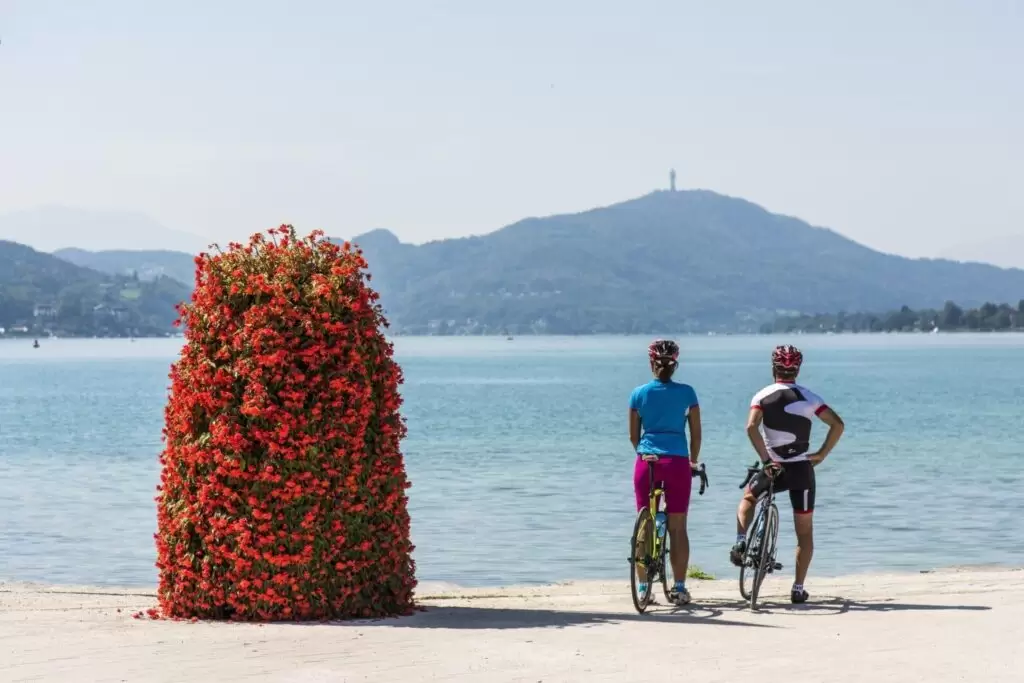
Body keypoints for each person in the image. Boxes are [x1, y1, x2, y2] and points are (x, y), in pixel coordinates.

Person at [730, 344, 844, 604]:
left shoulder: (762, 395)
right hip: (801, 469)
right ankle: (798, 587)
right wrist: (822, 454)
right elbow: (838, 425)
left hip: (774, 467)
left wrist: (766, 459)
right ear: (798, 369)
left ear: (773, 368)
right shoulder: (810, 397)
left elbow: (751, 428)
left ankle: (740, 541)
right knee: (804, 533)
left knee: (748, 498)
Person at [629, 339, 702, 606]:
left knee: (643, 524)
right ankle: (679, 588)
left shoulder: (638, 394)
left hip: (647, 462)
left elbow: (633, 436)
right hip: (677, 462)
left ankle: (643, 587)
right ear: (676, 366)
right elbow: (695, 435)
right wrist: (693, 462)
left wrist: (645, 451)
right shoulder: (687, 393)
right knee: (678, 526)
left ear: (651, 364)